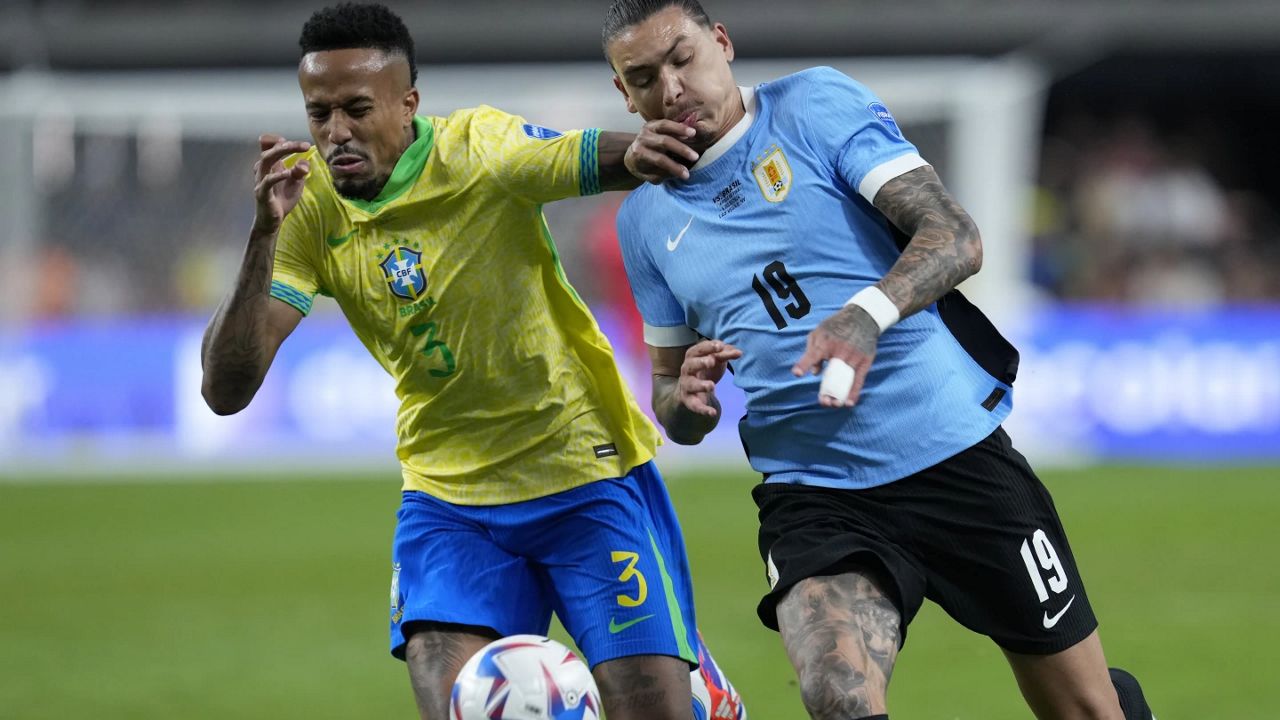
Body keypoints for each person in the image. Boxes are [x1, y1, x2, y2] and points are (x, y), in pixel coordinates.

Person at [603, 2, 1157, 719]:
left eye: (682, 58)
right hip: (814, 493)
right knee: (836, 693)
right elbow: (671, 400)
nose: (671, 88)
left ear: (721, 42)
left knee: (1088, 709)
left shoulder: (813, 106)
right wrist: (689, 401)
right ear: (625, 94)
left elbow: (955, 235)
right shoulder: (644, 221)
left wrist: (866, 314)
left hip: (953, 456)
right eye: (644, 77)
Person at [199, 4, 744, 719]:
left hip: (585, 472)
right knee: (457, 704)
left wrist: (641, 153)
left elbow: (584, 156)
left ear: (408, 104)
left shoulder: (479, 148)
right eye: (319, 113)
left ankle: (699, 690)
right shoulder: (306, 208)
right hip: (449, 502)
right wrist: (262, 235)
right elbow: (225, 391)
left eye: (357, 109)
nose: (336, 134)